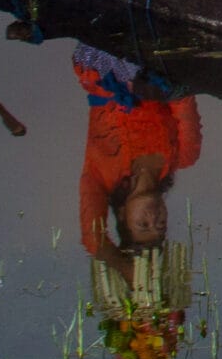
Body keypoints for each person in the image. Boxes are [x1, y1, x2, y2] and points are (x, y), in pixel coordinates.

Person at [74, 42, 203, 267]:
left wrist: (130, 274)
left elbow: (92, 239)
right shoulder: (184, 156)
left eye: (143, 224)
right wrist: (157, 88)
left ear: (123, 215)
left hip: (103, 67)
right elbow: (183, 100)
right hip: (156, 71)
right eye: (161, 224)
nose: (153, 217)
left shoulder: (99, 177)